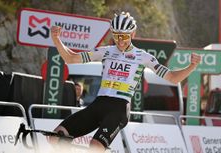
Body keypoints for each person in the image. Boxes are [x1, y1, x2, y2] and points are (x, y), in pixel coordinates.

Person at [49, 12, 201, 152]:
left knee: (95, 146)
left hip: (119, 109)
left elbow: (173, 77)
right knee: (56, 135)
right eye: (117, 35)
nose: (120, 40)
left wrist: (191, 67)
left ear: (133, 33)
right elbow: (71, 58)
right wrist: (57, 40)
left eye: (125, 36)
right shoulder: (106, 51)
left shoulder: (143, 57)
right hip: (98, 104)